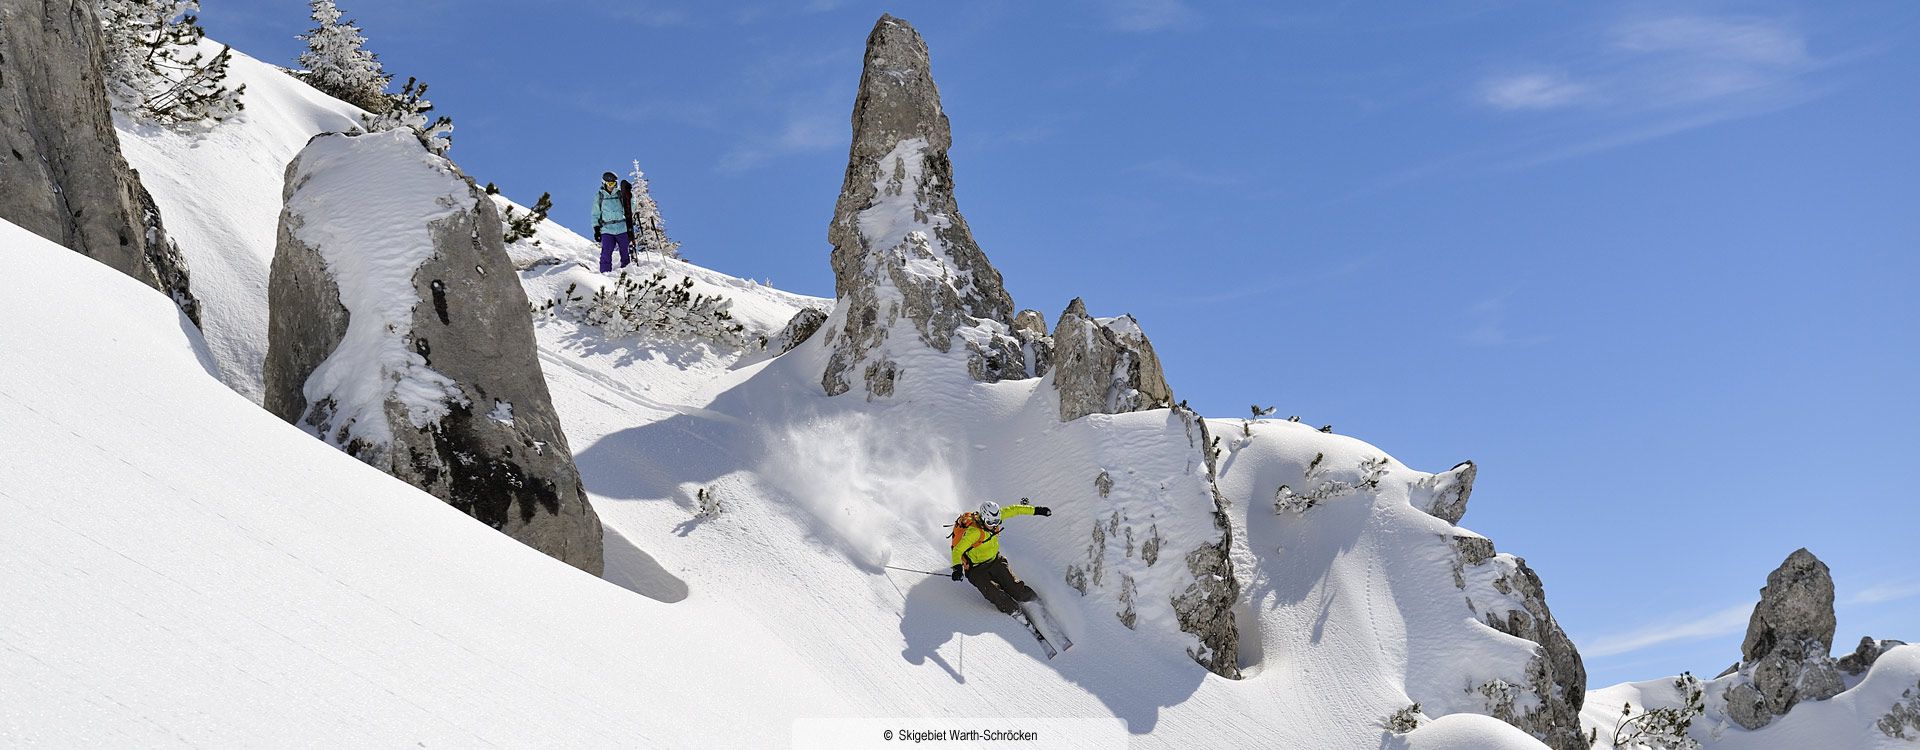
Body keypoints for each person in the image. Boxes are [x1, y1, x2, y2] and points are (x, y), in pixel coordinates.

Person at [950, 500, 1052, 614]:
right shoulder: (974, 533)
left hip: (995, 561)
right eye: (990, 522)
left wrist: (1037, 510)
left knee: (1016, 588)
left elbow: (1015, 509)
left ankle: (1036, 603)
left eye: (996, 521)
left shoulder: (995, 519)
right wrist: (957, 567)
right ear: (983, 519)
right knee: (995, 593)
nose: (994, 525)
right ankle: (1015, 612)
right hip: (976, 569)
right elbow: (957, 550)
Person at [589, 171, 632, 273]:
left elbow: (630, 208)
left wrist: (629, 195)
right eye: (609, 184)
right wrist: (596, 229)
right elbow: (595, 213)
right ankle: (605, 274)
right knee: (606, 253)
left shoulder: (620, 194)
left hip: (621, 227)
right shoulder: (600, 196)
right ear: (604, 183)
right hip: (607, 229)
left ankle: (626, 273)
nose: (611, 186)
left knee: (625, 252)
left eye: (613, 183)